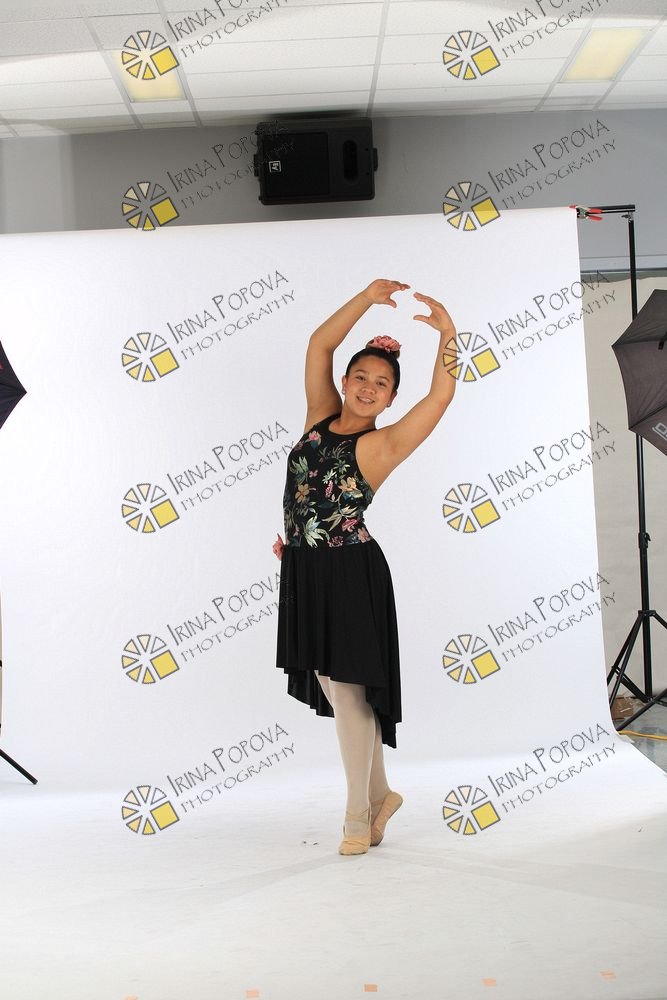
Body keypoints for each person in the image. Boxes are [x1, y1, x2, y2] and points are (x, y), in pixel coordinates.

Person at [273, 278, 456, 855]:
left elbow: (440, 398)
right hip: (306, 569)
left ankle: (357, 815)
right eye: (361, 376)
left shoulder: (384, 446)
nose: (368, 387)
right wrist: (366, 298)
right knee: (335, 688)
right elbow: (319, 344)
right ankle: (381, 795)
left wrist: (448, 336)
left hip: (351, 572)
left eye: (381, 383)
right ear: (346, 382)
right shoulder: (319, 414)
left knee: (349, 694)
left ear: (391, 398)